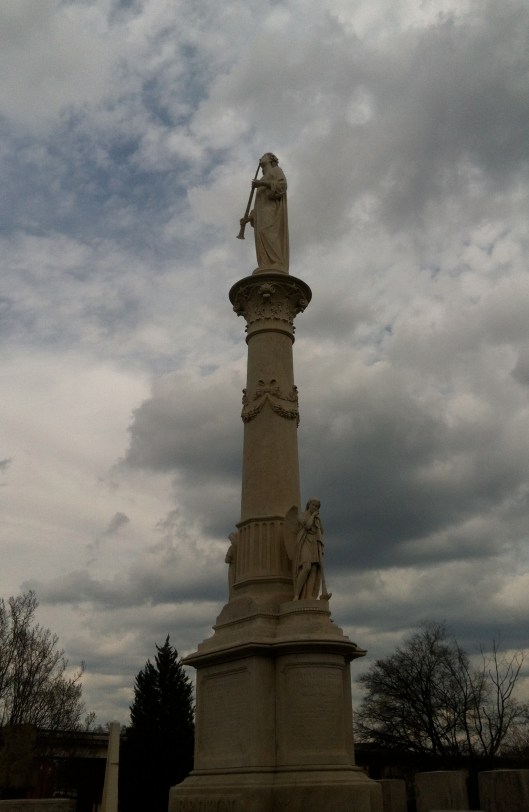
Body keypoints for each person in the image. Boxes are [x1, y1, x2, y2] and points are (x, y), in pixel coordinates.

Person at [240, 153, 289, 273]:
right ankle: (265, 263)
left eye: (264, 156)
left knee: (267, 232)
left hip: (272, 210)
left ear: (271, 159)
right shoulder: (262, 178)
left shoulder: (276, 170)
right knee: (261, 233)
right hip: (262, 212)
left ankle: (276, 262)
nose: (261, 158)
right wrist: (249, 217)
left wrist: (262, 184)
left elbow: (282, 185)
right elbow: (259, 204)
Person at [293, 498, 324, 600]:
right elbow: (307, 526)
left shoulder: (316, 519)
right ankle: (297, 595)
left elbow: (321, 531)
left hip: (314, 542)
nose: (314, 507)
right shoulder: (301, 515)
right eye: (313, 505)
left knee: (314, 568)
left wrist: (318, 522)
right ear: (308, 504)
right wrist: (313, 516)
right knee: (306, 567)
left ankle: (309, 595)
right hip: (304, 542)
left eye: (316, 507)